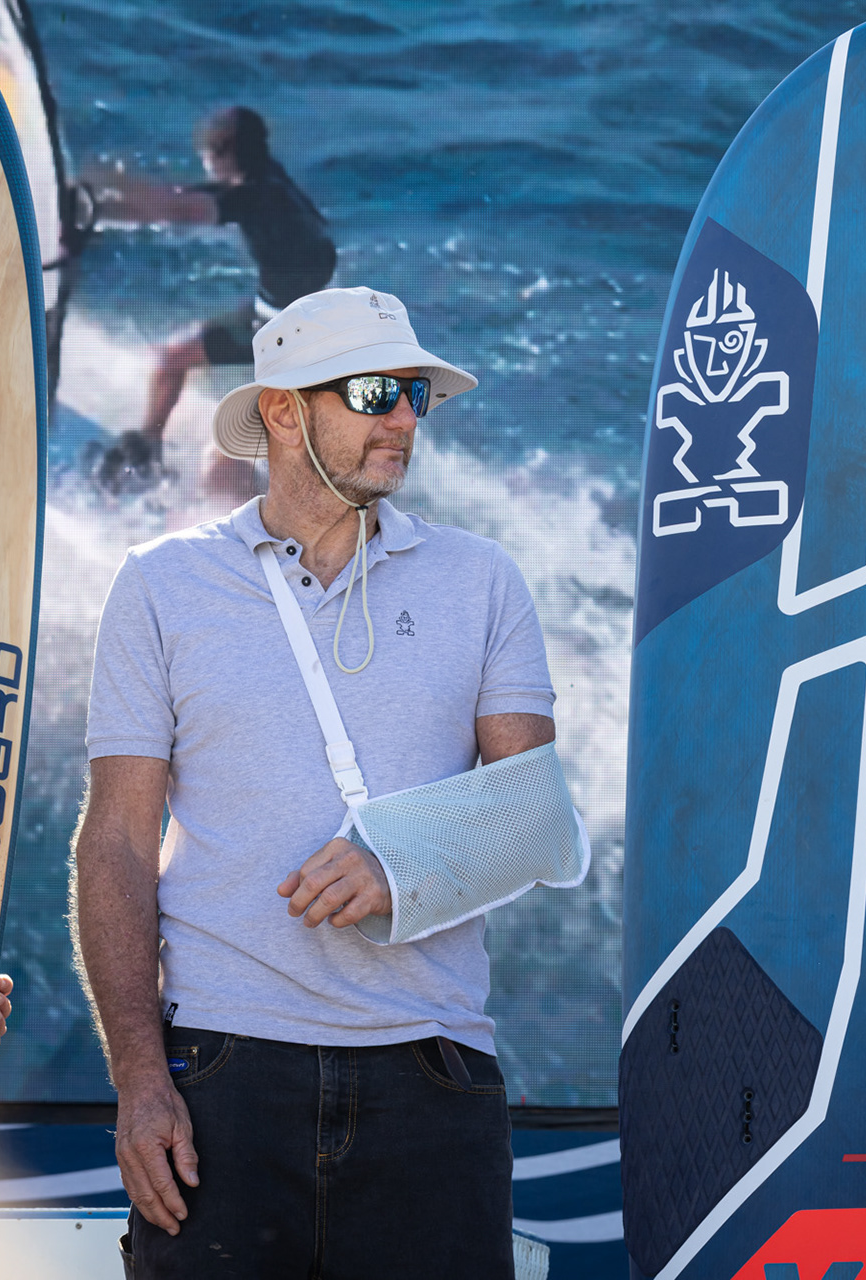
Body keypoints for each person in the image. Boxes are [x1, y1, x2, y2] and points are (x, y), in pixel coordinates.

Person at [72, 285, 550, 1276]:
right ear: (283, 412)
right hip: (219, 1076)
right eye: (375, 393)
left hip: (432, 1072)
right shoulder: (161, 583)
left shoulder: (483, 579)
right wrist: (139, 1080)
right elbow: (115, 840)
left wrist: (403, 861)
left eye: (416, 393)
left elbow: (533, 813)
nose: (405, 418)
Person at [93, 106, 337, 494]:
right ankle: (148, 449)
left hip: (290, 340)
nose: (204, 163)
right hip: (282, 319)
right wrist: (105, 210)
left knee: (222, 471)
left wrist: (97, 204)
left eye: (206, 153)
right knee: (171, 359)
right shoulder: (266, 179)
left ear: (222, 152)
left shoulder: (257, 196)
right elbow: (183, 199)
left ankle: (256, 504)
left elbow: (181, 208)